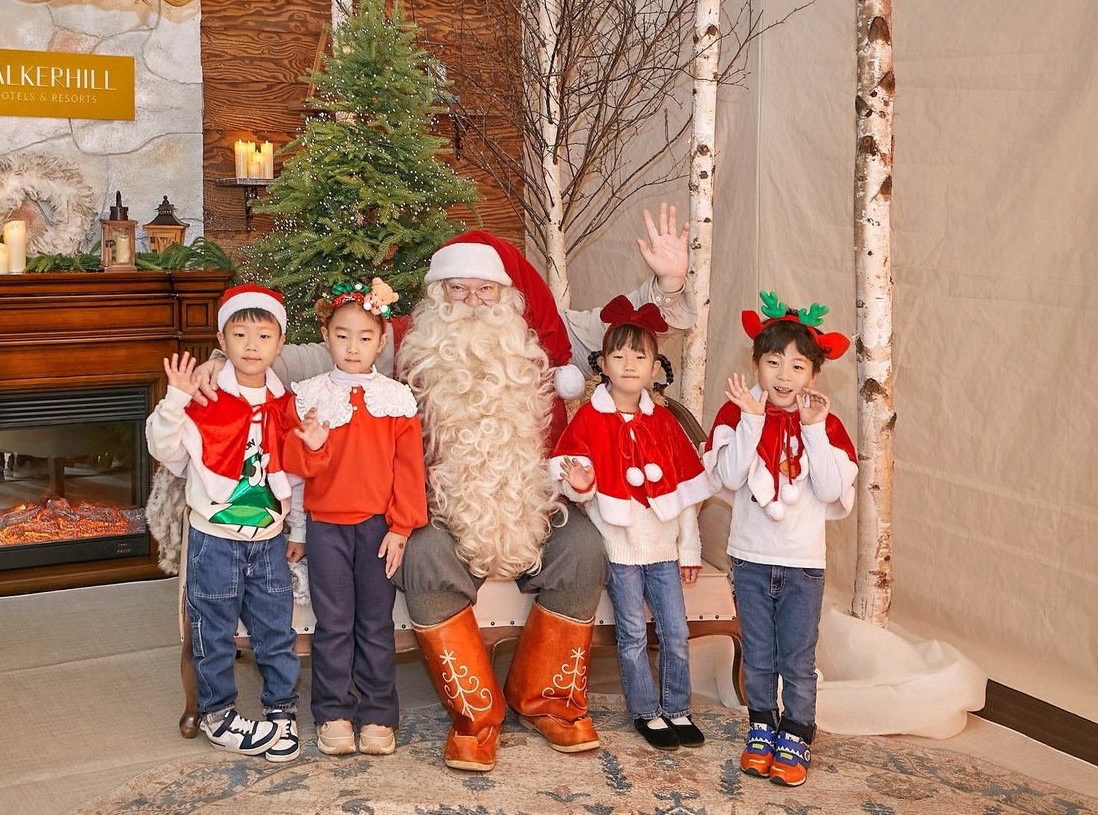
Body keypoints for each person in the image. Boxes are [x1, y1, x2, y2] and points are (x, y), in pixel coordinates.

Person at [195, 204, 693, 771]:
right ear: (437, 293)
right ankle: (476, 716)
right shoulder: (403, 340)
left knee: (581, 550)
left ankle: (544, 697)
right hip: (442, 510)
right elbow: (310, 356)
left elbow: (626, 327)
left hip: (530, 504)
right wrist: (224, 362)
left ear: (507, 296)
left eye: (486, 290)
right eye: (458, 288)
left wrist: (668, 280)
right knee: (426, 559)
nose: (473, 302)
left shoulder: (543, 341)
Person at [145, 283, 320, 762]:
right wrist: (175, 401)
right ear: (221, 340)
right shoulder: (203, 397)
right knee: (212, 628)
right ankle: (219, 714)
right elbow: (165, 451)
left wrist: (298, 530)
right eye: (239, 334)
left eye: (263, 336)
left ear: (279, 344)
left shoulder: (288, 405)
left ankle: (282, 711)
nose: (250, 345)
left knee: (275, 631)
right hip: (213, 539)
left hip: (268, 540)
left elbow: (297, 476)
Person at [703, 292, 857, 788]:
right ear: (756, 364)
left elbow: (834, 490)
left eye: (797, 365)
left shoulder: (826, 425)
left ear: (814, 375)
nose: (784, 375)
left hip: (802, 564)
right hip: (748, 560)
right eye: (773, 362)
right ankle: (762, 725)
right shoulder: (737, 415)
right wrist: (749, 419)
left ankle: (796, 731)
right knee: (760, 653)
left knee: (797, 657)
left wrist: (812, 430)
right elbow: (726, 475)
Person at [549, 298, 714, 751]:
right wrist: (582, 484)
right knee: (633, 634)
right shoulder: (589, 418)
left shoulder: (663, 422)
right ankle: (646, 711)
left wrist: (690, 550)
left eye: (639, 356)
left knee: (675, 632)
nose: (628, 364)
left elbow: (686, 495)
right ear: (602, 364)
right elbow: (578, 481)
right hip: (621, 550)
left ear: (653, 366)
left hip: (662, 548)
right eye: (617, 356)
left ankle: (677, 708)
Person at [282, 278, 427, 757]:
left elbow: (409, 474)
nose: (353, 346)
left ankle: (380, 715)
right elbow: (294, 471)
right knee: (334, 623)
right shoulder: (306, 396)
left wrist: (402, 529)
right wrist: (315, 449)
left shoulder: (397, 400)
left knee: (374, 623)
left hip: (378, 531)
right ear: (326, 336)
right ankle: (333, 712)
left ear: (381, 341)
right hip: (326, 529)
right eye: (342, 335)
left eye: (365, 337)